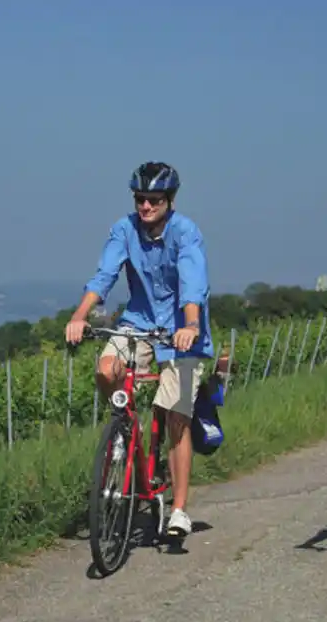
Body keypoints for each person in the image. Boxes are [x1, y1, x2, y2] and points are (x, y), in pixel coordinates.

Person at [64, 161, 213, 538]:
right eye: (140, 199)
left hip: (180, 330)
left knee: (177, 415)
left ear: (170, 200)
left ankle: (178, 510)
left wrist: (191, 326)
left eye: (154, 200)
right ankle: (128, 427)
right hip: (138, 322)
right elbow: (104, 276)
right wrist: (79, 316)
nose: (145, 206)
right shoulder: (124, 229)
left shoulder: (185, 232)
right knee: (106, 370)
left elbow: (192, 284)